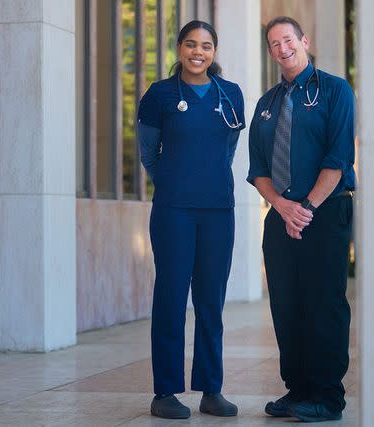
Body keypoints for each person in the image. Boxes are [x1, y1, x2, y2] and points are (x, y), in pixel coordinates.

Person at [247, 16, 356, 423]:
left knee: (323, 304)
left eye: (288, 40)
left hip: (325, 212)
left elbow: (338, 157)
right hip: (281, 216)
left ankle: (327, 397)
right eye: (274, 44)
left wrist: (305, 207)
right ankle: (298, 390)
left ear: (304, 41)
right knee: (286, 304)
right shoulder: (266, 105)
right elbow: (258, 167)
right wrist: (281, 206)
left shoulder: (334, 90)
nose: (282, 48)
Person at [137, 20, 245, 420]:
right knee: (170, 298)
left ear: (214, 52)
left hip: (218, 210)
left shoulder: (231, 94)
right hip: (174, 211)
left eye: (206, 46)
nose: (198, 52)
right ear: (179, 49)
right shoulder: (160, 95)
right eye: (190, 45)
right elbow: (150, 154)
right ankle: (164, 391)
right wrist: (175, 181)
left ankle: (211, 390)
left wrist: (205, 179)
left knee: (211, 302)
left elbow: (227, 149)